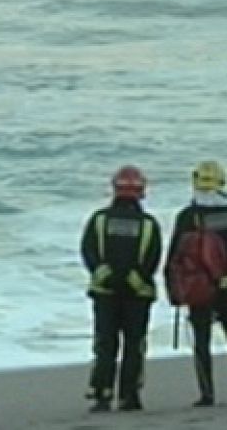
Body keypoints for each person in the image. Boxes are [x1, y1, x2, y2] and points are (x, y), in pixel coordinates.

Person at [166, 159, 227, 407]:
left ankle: (207, 395)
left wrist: (174, 292)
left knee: (201, 341)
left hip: (199, 288)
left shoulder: (187, 216)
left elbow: (175, 257)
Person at [80, 164, 163, 413]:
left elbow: (89, 251)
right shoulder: (149, 224)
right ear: (141, 192)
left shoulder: (99, 219)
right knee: (134, 344)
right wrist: (134, 279)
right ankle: (129, 396)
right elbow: (153, 258)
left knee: (105, 343)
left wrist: (105, 275)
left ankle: (102, 393)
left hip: (105, 292)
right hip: (138, 294)